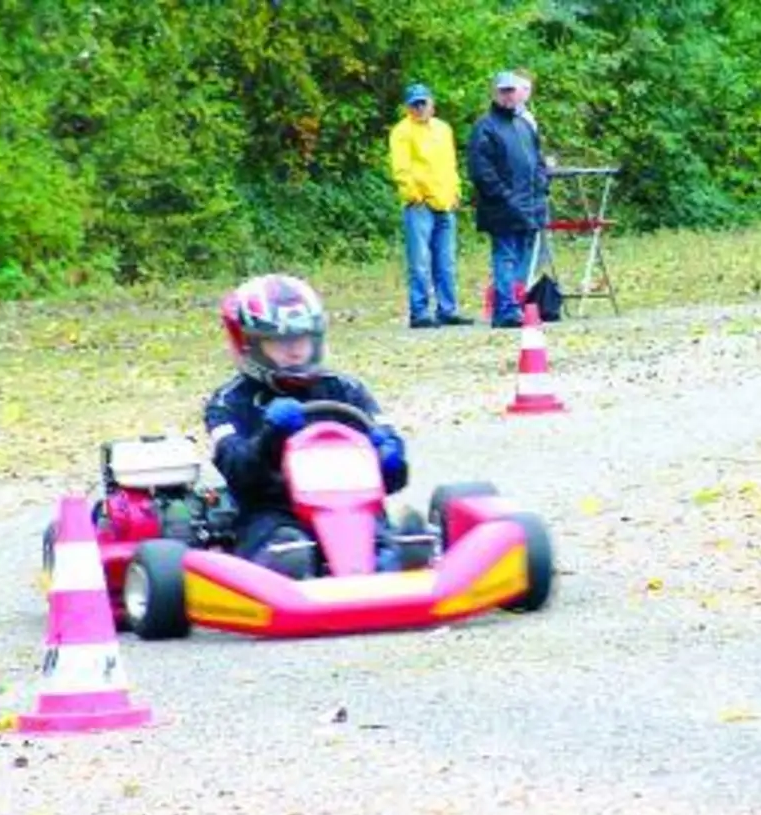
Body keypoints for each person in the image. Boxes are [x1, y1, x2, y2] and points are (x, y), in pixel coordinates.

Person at [204, 273, 413, 578]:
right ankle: (287, 569)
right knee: (287, 547)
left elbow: (394, 476)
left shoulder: (345, 390)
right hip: (275, 512)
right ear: (249, 344)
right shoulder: (229, 402)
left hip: (352, 509)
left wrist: (389, 456)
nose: (296, 350)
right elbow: (237, 471)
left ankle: (395, 557)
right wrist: (270, 437)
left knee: (383, 535)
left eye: (302, 338)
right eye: (281, 341)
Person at [465, 71, 551, 329]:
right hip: (502, 207)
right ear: (495, 93)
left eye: (512, 90)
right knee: (505, 256)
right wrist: (505, 197)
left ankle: (515, 302)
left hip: (530, 204)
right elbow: (481, 170)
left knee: (525, 257)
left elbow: (537, 161)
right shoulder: (485, 127)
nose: (508, 96)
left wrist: (542, 186)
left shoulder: (524, 125)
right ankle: (505, 309)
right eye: (503, 91)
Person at [388, 83, 472, 329]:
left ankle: (448, 309)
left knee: (446, 260)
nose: (420, 108)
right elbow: (401, 168)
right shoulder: (402, 132)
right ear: (407, 107)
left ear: (432, 104)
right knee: (420, 260)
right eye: (415, 104)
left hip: (445, 201)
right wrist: (414, 195)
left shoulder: (443, 129)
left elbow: (450, 164)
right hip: (420, 204)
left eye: (423, 102)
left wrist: (456, 191)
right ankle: (420, 311)